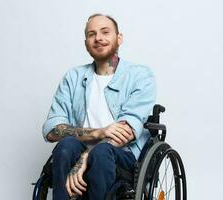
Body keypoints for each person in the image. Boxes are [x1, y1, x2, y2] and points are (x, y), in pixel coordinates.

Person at [42, 13, 156, 200]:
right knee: (65, 146)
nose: (98, 38)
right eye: (91, 34)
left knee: (101, 152)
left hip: (122, 155)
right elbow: (52, 129)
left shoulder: (140, 76)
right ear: (86, 42)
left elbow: (127, 130)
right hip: (78, 150)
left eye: (105, 32)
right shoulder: (73, 77)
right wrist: (97, 133)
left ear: (119, 38)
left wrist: (86, 156)